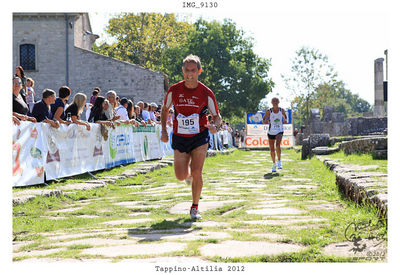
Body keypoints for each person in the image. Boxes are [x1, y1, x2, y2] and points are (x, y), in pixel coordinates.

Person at [160, 54, 221, 220]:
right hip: (180, 136)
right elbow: (165, 110)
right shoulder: (174, 89)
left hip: (200, 136)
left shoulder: (206, 92)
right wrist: (164, 131)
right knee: (180, 175)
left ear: (199, 71)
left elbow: (217, 116)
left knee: (197, 171)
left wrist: (215, 127)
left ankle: (195, 207)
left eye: (193, 70)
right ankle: (188, 177)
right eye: (187, 70)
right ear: (182, 70)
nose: (190, 74)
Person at [262, 97, 287, 172]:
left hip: (279, 130)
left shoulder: (281, 110)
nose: (275, 102)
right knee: (272, 149)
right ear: (271, 103)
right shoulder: (269, 111)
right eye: (274, 101)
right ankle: (274, 164)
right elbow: (264, 119)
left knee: (278, 145)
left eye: (276, 101)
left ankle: (279, 161)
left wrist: (285, 120)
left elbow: (285, 117)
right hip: (271, 131)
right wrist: (265, 122)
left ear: (278, 102)